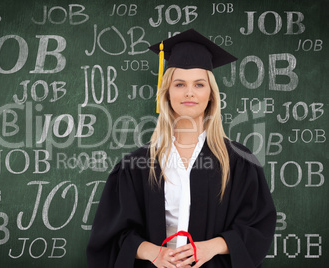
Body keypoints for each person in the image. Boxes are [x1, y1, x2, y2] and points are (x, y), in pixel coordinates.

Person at [86, 29, 276, 268]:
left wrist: (212, 246)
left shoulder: (239, 161)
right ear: (166, 93)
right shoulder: (135, 165)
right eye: (179, 84)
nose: (189, 92)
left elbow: (258, 226)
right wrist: (154, 253)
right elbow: (112, 235)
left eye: (199, 84)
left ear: (210, 95)